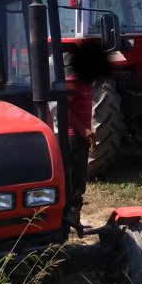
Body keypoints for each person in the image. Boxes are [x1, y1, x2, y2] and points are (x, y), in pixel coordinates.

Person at [62, 48, 95, 235]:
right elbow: (63, 109)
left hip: (80, 138)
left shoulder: (86, 83)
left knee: (79, 182)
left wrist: (88, 133)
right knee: (74, 181)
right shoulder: (73, 81)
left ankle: (74, 220)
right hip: (72, 138)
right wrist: (83, 129)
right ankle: (70, 221)